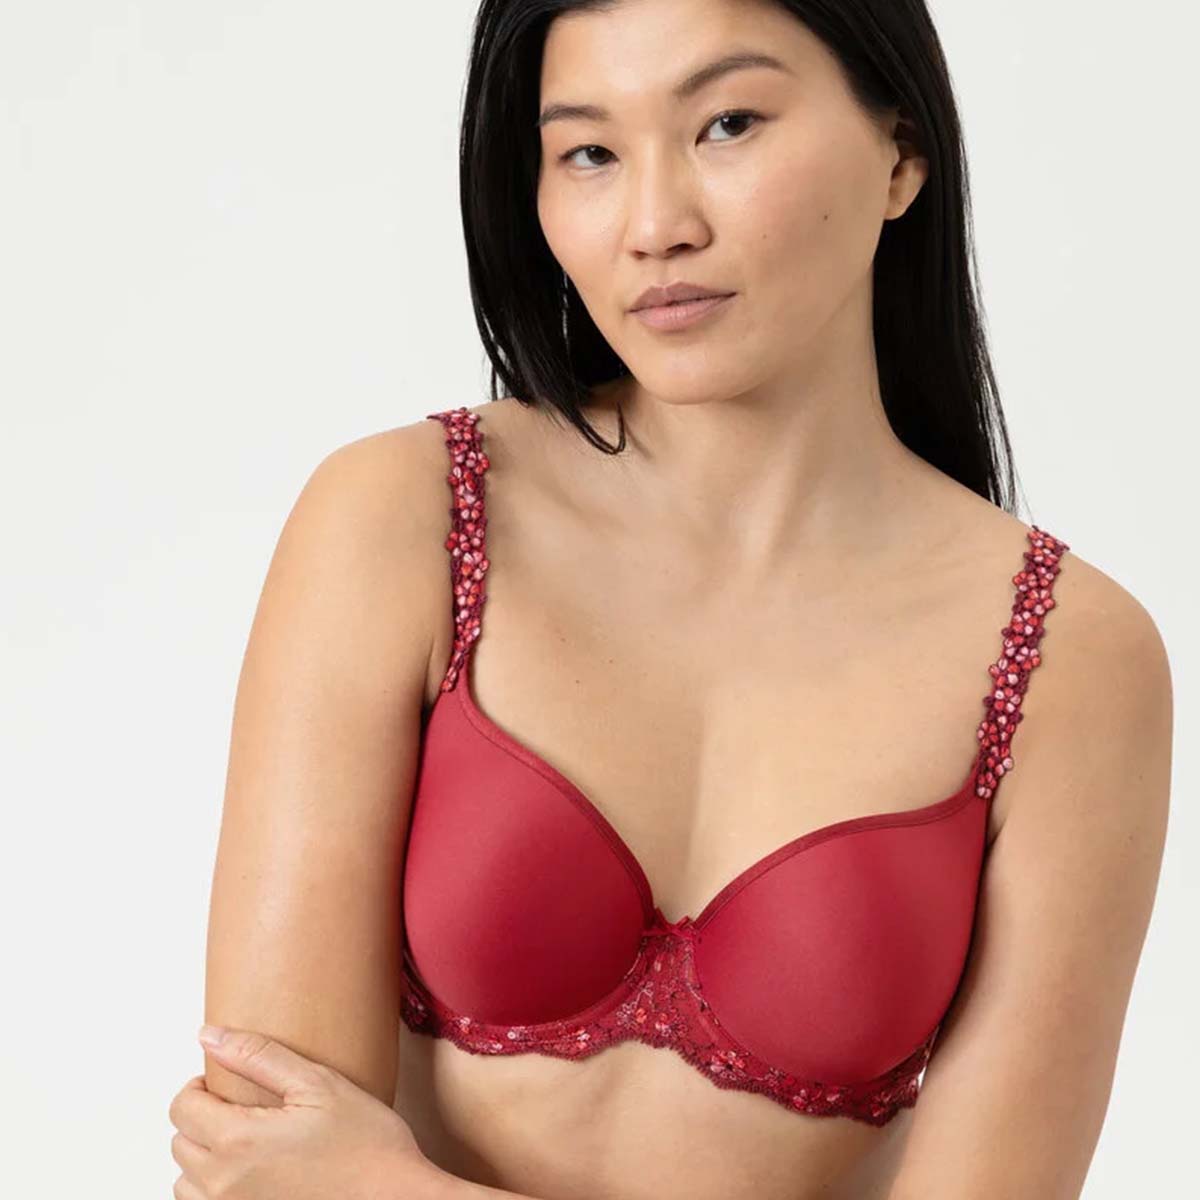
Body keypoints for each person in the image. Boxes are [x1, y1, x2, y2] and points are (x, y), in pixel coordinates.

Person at [191, 2, 1172, 1198]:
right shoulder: (402, 522)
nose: (656, 226)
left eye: (728, 124)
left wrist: (387, 1188)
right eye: (589, 152)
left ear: (901, 154)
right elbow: (257, 1167)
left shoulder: (1071, 658)